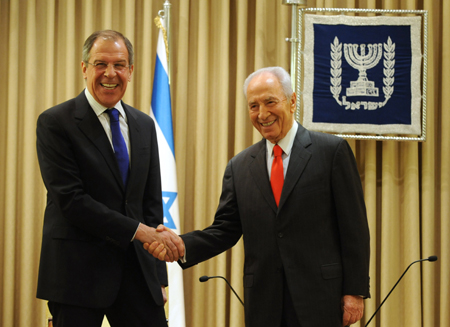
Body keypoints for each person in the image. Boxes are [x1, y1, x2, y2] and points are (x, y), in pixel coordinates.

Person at [147, 67, 370, 327]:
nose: (262, 114)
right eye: (253, 106)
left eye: (270, 102)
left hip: (321, 299)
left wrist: (354, 292)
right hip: (264, 303)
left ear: (292, 101)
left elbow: (354, 228)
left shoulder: (331, 152)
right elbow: (225, 230)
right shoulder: (239, 166)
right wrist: (182, 246)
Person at [36, 30, 184, 327]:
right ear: (84, 68)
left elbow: (152, 204)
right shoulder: (55, 122)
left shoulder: (144, 124)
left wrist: (158, 276)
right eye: (100, 64)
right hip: (77, 274)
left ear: (130, 71)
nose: (110, 74)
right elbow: (72, 201)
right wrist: (140, 232)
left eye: (119, 65)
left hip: (137, 274)